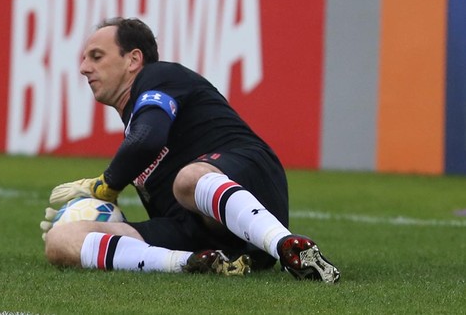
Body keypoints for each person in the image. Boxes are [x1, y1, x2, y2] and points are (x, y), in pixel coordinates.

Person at [39, 17, 340, 283]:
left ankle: (289, 247)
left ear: (133, 60)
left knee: (187, 179)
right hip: (208, 234)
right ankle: (194, 263)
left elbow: (148, 140)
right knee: (60, 240)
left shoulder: (158, 76)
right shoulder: (133, 127)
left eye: (96, 56)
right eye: (84, 58)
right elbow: (141, 143)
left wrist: (107, 185)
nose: (83, 68)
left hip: (250, 180)